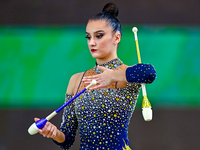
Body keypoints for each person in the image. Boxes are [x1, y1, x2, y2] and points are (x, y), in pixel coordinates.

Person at [34, 3, 156, 150]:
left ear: (116, 38)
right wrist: (53, 133)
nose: (92, 42)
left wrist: (113, 76)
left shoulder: (126, 74)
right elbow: (67, 139)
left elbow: (149, 73)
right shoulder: (76, 80)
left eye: (99, 36)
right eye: (88, 37)